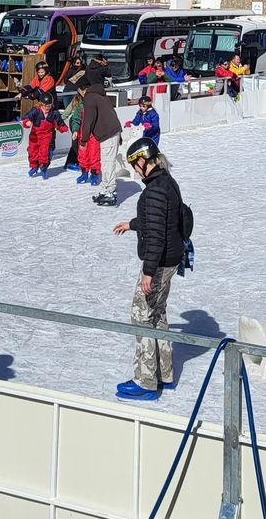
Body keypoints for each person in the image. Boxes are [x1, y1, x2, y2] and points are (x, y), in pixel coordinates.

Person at [111, 136, 188, 400]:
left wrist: (148, 271)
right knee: (157, 315)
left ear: (143, 161)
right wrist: (131, 224)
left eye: (135, 165)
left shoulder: (154, 190)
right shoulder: (166, 181)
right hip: (170, 260)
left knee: (141, 316)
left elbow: (156, 235)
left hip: (159, 263)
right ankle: (164, 374)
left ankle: (145, 382)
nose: (134, 170)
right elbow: (159, 219)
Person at [78, 70, 124, 205]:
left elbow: (88, 120)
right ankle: (105, 190)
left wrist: (84, 140)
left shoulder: (90, 97)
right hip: (112, 132)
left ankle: (110, 192)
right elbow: (112, 114)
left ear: (82, 89)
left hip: (108, 134)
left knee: (107, 163)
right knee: (105, 163)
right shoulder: (100, 96)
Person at [23, 88, 68, 178]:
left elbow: (59, 122)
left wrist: (63, 128)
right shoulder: (36, 110)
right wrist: (27, 122)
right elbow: (27, 117)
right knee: (32, 151)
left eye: (49, 106)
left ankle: (43, 168)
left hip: (46, 135)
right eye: (45, 106)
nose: (47, 108)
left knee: (44, 153)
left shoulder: (54, 112)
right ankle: (34, 166)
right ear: (41, 104)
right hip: (35, 135)